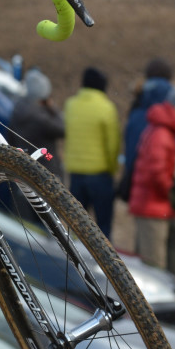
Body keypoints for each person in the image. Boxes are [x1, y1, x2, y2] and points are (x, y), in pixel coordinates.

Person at [127, 84, 175, 269]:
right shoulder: (162, 133)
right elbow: (157, 173)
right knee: (153, 266)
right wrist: (173, 193)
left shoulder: (165, 130)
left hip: (155, 205)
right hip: (153, 207)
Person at [63, 67, 121, 240]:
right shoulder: (106, 108)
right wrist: (112, 168)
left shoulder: (70, 105)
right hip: (100, 174)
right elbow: (113, 145)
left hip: (76, 174)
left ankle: (72, 254)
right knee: (103, 228)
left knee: (76, 225)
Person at [118, 57, 172, 202]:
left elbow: (130, 146)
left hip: (137, 178)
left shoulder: (136, 107)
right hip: (164, 182)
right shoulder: (174, 108)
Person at [9, 68, 65, 179]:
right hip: (47, 170)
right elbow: (63, 129)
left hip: (23, 171)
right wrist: (53, 108)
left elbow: (10, 139)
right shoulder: (41, 118)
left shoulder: (17, 111)